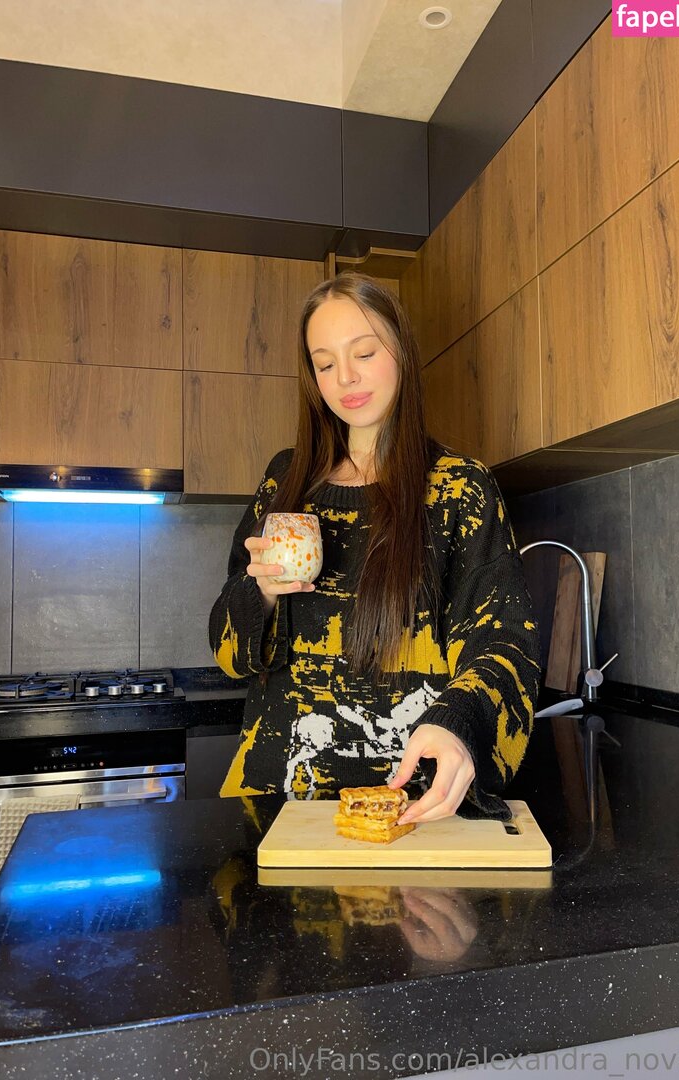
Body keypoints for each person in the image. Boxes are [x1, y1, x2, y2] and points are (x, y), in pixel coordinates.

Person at [208, 272, 542, 825]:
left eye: (364, 352)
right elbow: (228, 652)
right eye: (324, 364)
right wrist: (259, 592)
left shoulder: (459, 489)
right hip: (278, 802)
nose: (346, 377)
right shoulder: (286, 480)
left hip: (410, 804)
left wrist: (458, 722)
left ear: (402, 352)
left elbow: (504, 640)